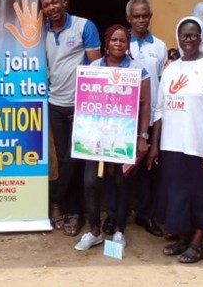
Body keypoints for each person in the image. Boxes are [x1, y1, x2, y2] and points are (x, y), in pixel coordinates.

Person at [151, 16, 203, 264]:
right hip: (171, 144)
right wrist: (154, 145)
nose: (189, 39)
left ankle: (197, 242)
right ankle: (183, 238)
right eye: (184, 35)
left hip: (199, 144)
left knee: (201, 194)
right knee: (177, 194)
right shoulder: (171, 69)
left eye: (194, 35)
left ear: (201, 37)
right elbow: (159, 109)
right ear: (178, 38)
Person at [74, 25, 151, 251]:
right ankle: (95, 231)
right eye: (114, 40)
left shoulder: (137, 69)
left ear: (128, 44)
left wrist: (142, 136)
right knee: (91, 181)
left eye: (123, 40)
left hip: (123, 137)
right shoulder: (94, 67)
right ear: (106, 43)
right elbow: (84, 99)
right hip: (96, 137)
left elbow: (145, 104)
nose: (118, 44)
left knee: (121, 182)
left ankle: (119, 231)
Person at [42, 0, 101, 237]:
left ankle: (63, 207)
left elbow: (96, 66)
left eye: (55, 2)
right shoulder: (40, 31)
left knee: (75, 159)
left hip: (81, 105)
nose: (52, 7)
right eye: (46, 5)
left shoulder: (84, 26)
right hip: (54, 103)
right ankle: (67, 208)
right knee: (63, 160)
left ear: (64, 2)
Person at [125, 0, 166, 237]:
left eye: (145, 15)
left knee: (148, 168)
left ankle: (145, 214)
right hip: (122, 117)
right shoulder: (119, 42)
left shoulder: (159, 46)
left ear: (150, 17)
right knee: (118, 169)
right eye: (136, 16)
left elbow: (161, 84)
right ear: (128, 18)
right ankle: (115, 214)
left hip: (148, 118)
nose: (141, 20)